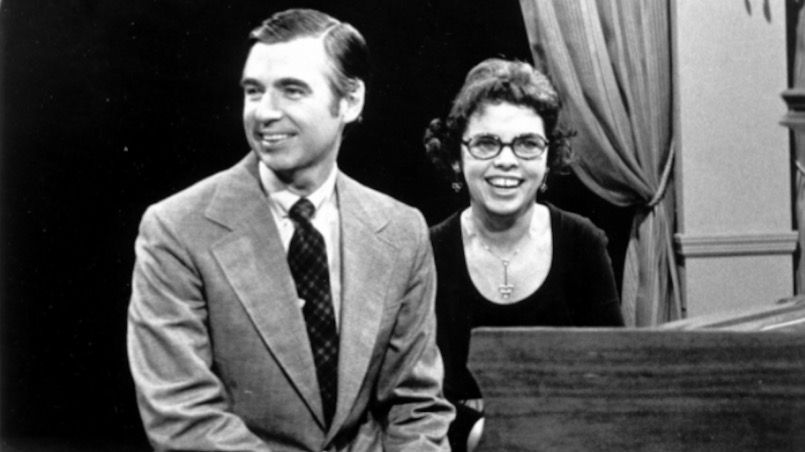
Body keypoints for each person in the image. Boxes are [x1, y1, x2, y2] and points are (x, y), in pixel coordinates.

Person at [127, 8, 453, 452]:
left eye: (292, 90)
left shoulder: (401, 230)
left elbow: (417, 408)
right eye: (253, 91)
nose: (264, 112)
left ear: (351, 101)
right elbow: (183, 416)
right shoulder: (176, 229)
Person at [424, 58, 625, 451]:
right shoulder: (427, 252)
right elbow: (416, 397)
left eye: (527, 144)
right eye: (486, 143)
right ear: (456, 157)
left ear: (549, 159)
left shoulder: (583, 243)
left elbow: (612, 380)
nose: (506, 160)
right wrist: (491, 436)